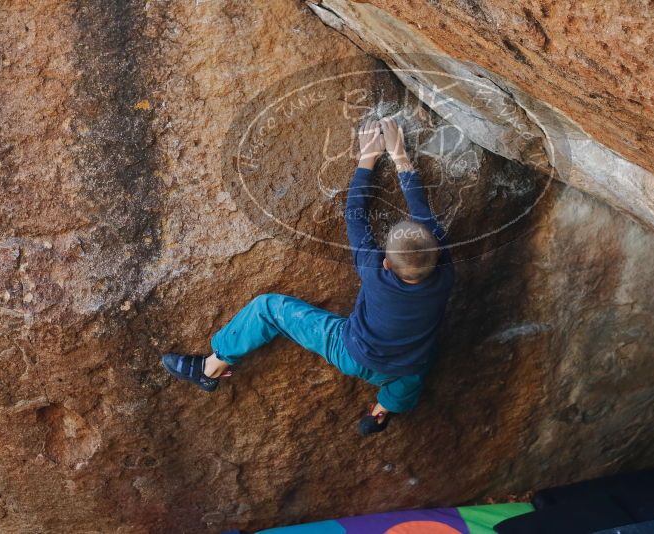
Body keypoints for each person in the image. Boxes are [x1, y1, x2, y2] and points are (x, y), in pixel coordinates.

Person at [161, 117, 455, 435]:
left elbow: (355, 215)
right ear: (436, 253)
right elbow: (423, 213)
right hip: (405, 366)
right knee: (414, 371)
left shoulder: (375, 272)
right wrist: (401, 155)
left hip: (353, 353)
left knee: (268, 308)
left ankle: (210, 368)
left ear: (387, 265)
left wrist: (368, 157)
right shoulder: (445, 272)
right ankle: (383, 410)